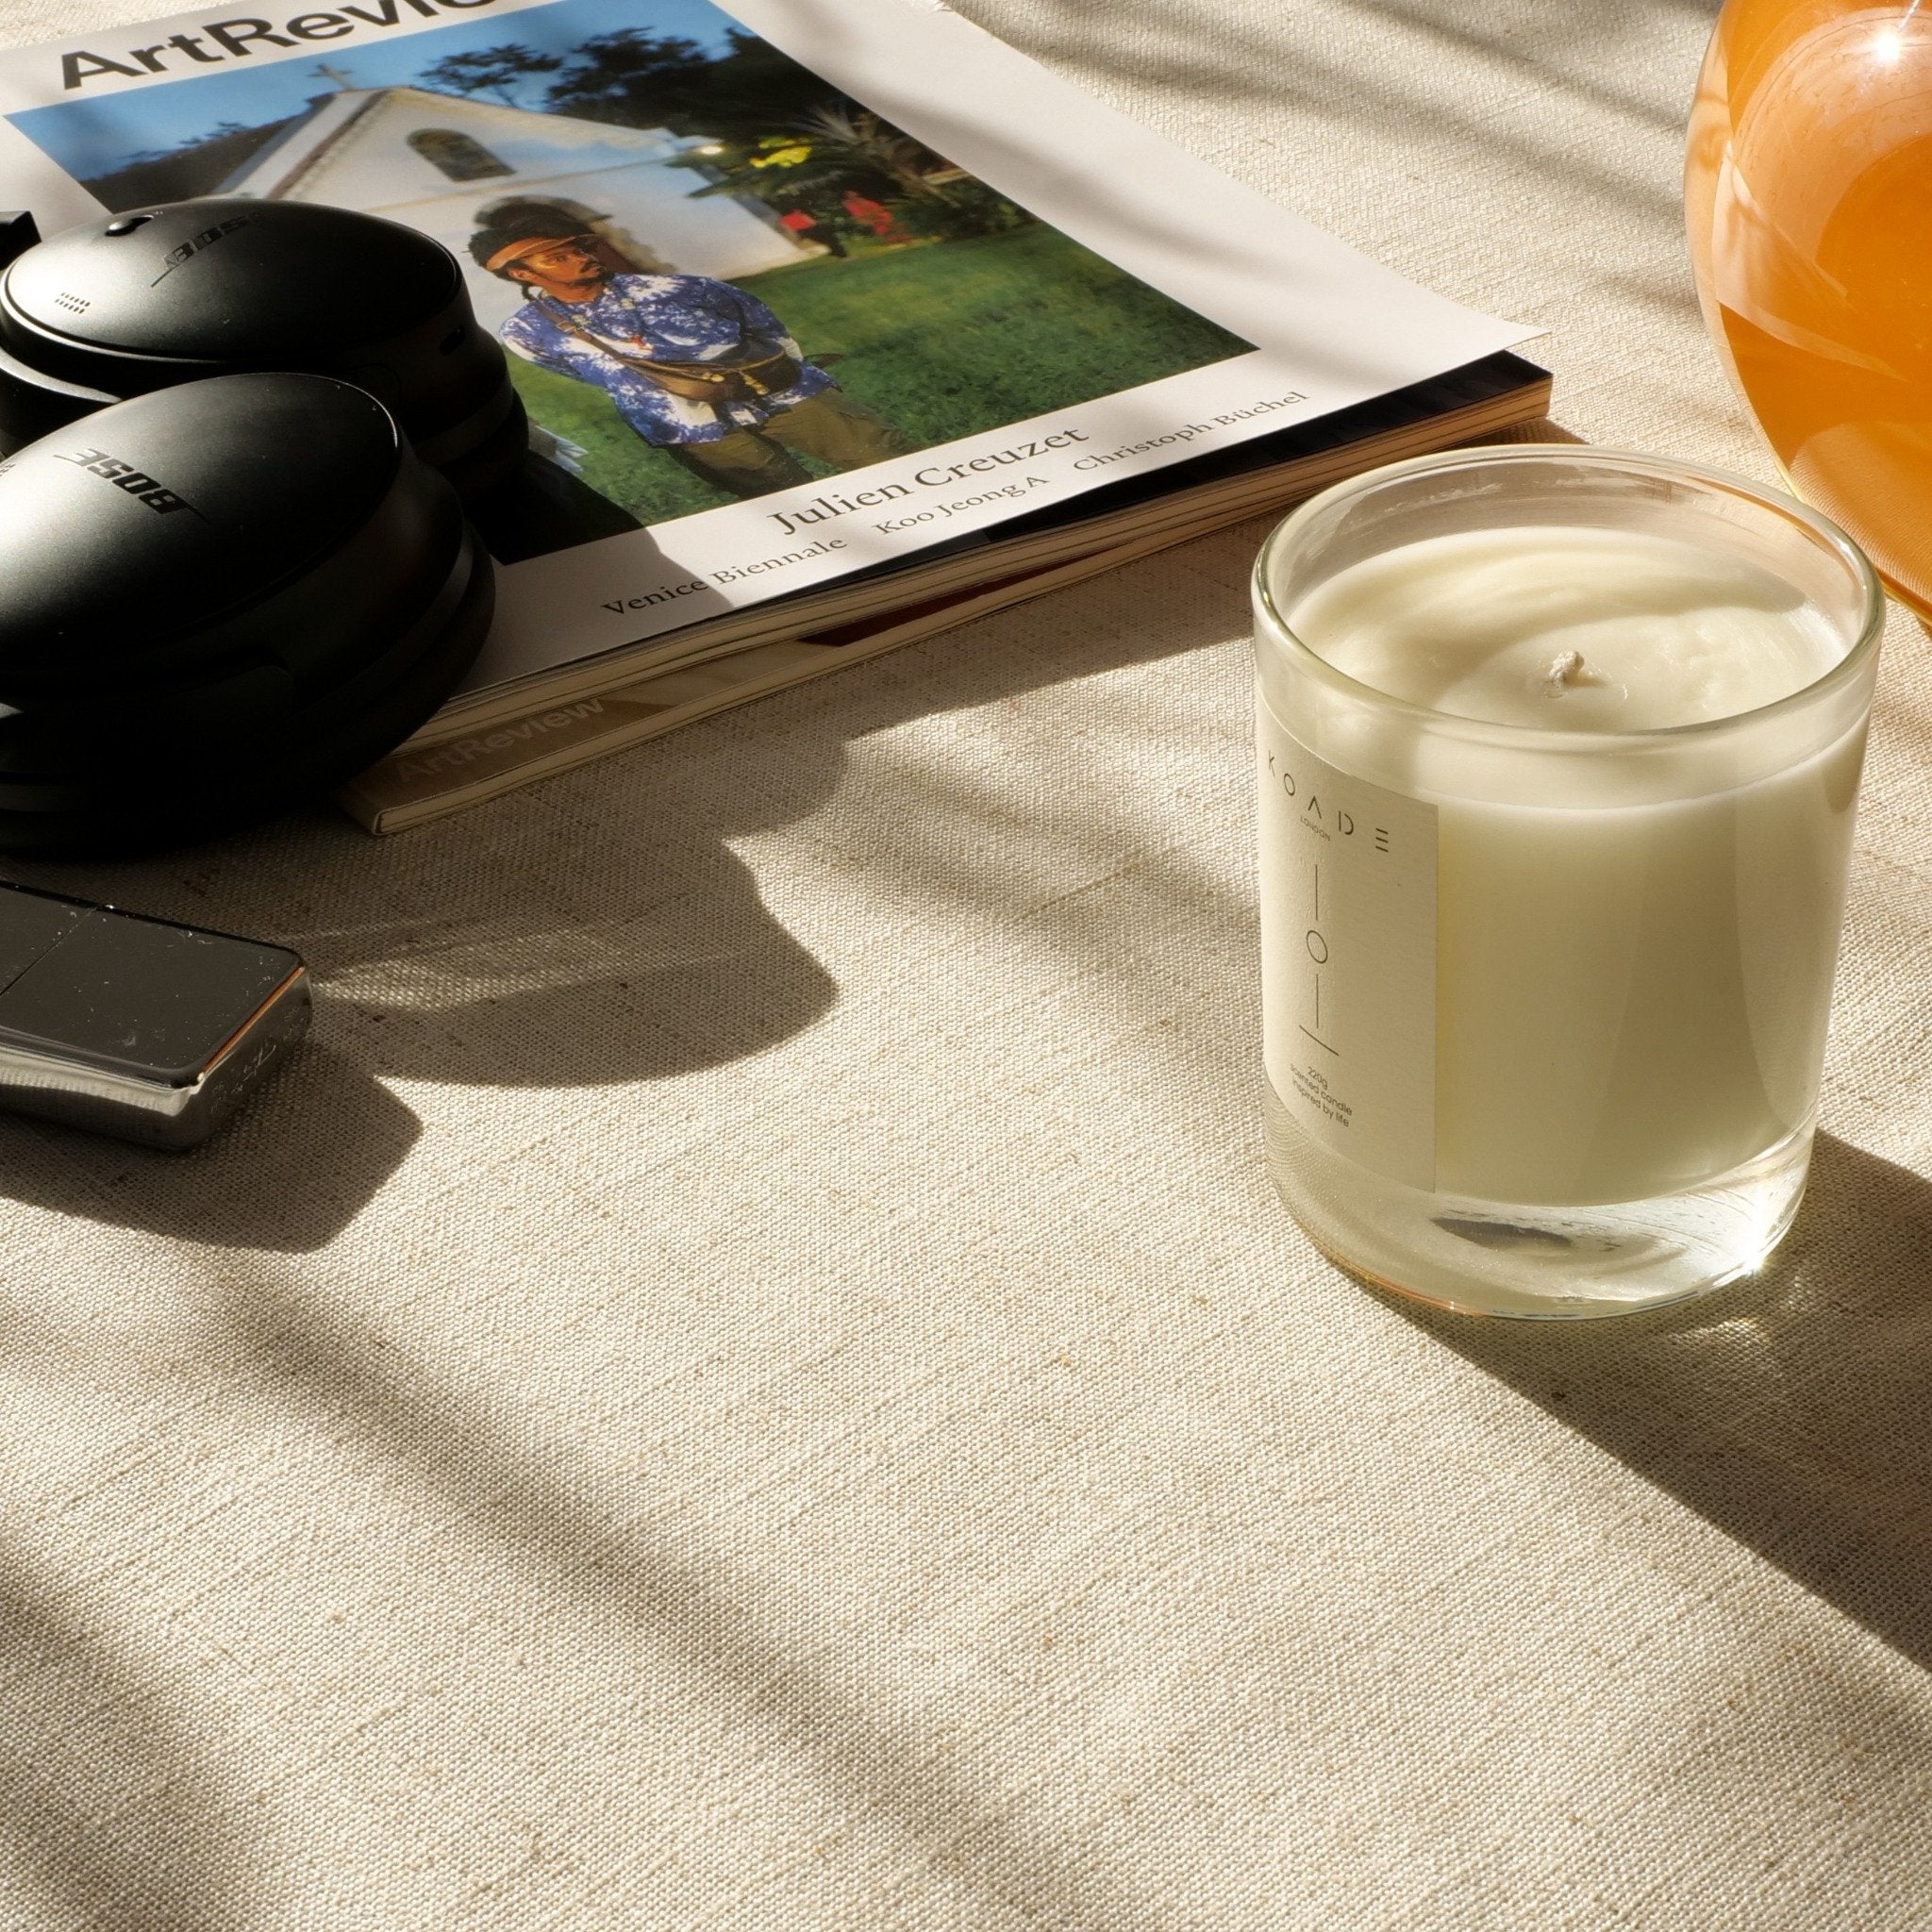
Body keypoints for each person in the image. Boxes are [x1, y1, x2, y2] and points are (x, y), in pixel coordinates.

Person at [470, 208, 911, 500]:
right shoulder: (526, 332)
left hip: (782, 395)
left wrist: (775, 369)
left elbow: (760, 322)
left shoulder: (679, 287)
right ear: (522, 274)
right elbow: (586, 373)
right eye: (557, 257)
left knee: (887, 459)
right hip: (689, 428)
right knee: (785, 501)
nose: (581, 258)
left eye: (578, 249)